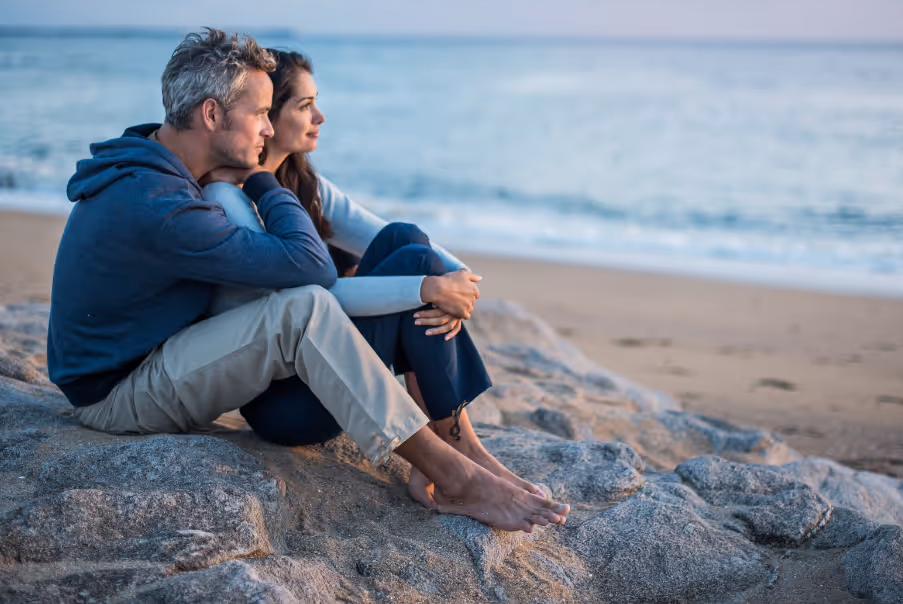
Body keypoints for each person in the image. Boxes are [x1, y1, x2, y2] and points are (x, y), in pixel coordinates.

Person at [46, 28, 569, 533]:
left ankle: (457, 450)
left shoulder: (157, 170)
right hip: (117, 394)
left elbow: (333, 254)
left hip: (146, 359)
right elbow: (312, 268)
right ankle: (454, 474)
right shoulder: (163, 205)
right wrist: (261, 177)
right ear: (211, 113)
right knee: (303, 311)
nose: (269, 129)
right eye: (257, 114)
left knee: (396, 250)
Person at [203, 49, 543, 507]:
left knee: (406, 239)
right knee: (417, 271)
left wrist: (457, 285)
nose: (320, 116)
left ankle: (452, 445)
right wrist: (428, 288)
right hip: (284, 405)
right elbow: (306, 307)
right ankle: (455, 447)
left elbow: (403, 243)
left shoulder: (301, 184)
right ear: (268, 116)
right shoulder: (230, 198)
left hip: (328, 373)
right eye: (303, 106)